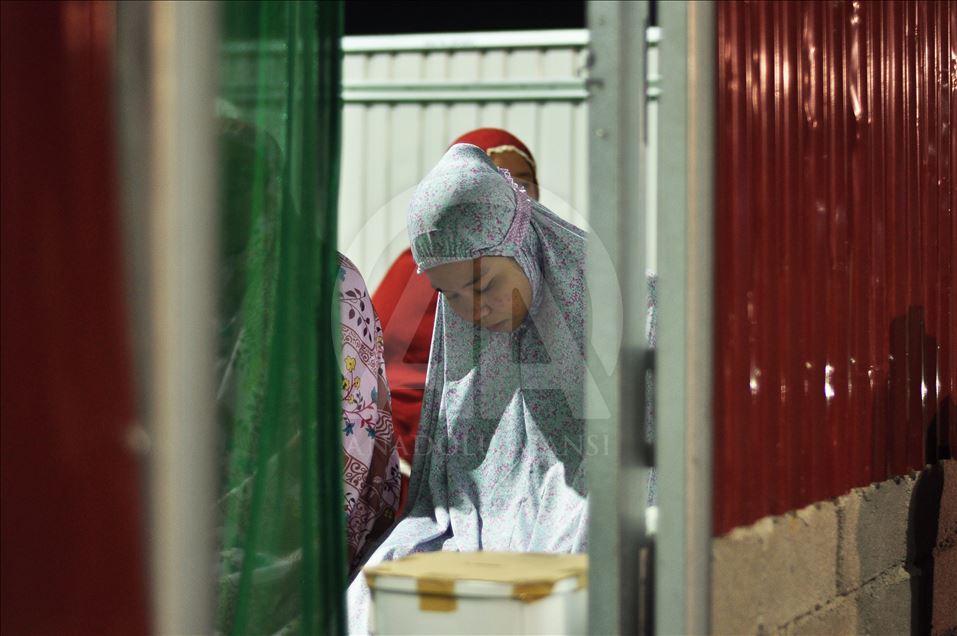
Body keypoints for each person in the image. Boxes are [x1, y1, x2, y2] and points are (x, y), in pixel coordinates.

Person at [349, 143, 589, 634]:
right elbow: (452, 492)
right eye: (448, 294)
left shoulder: (630, 315)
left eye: (483, 286)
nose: (470, 312)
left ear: (520, 242)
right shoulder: (467, 338)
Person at [371, 128, 541, 510]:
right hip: (434, 478)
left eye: (525, 185)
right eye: (501, 184)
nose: (517, 199)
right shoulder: (428, 273)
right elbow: (381, 381)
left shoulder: (549, 271)